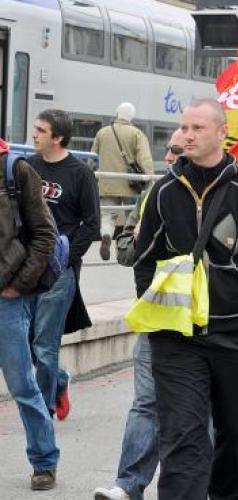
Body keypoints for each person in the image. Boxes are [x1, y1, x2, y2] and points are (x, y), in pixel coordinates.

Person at [133, 99, 238, 499]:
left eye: (197, 128)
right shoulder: (164, 190)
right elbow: (144, 260)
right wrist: (158, 320)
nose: (188, 135)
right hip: (177, 341)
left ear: (222, 133)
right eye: (184, 128)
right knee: (182, 439)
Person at [93, 129, 184, 500]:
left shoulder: (219, 196)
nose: (171, 157)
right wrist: (142, 237)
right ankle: (128, 485)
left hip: (203, 322)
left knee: (202, 409)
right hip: (155, 316)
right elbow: (125, 252)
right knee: (146, 404)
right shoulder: (152, 195)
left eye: (178, 150)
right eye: (170, 150)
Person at [27, 109, 100, 420]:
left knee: (45, 344)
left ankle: (43, 411)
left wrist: (66, 257)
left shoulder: (80, 174)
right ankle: (58, 381)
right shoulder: (27, 166)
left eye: (41, 130)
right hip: (27, 267)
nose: (34, 134)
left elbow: (92, 224)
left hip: (59, 271)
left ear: (57, 138)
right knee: (26, 340)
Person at [0, 138, 61, 491]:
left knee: (22, 385)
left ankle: (44, 460)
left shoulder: (16, 170)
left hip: (7, 299)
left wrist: (18, 286)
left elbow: (44, 234)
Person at [91, 103, 154, 260]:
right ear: (131, 116)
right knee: (131, 215)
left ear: (117, 113)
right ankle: (128, 246)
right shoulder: (137, 134)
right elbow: (144, 159)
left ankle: (106, 236)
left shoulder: (102, 133)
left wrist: (91, 173)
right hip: (130, 184)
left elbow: (92, 158)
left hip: (107, 183)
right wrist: (150, 178)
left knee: (108, 215)